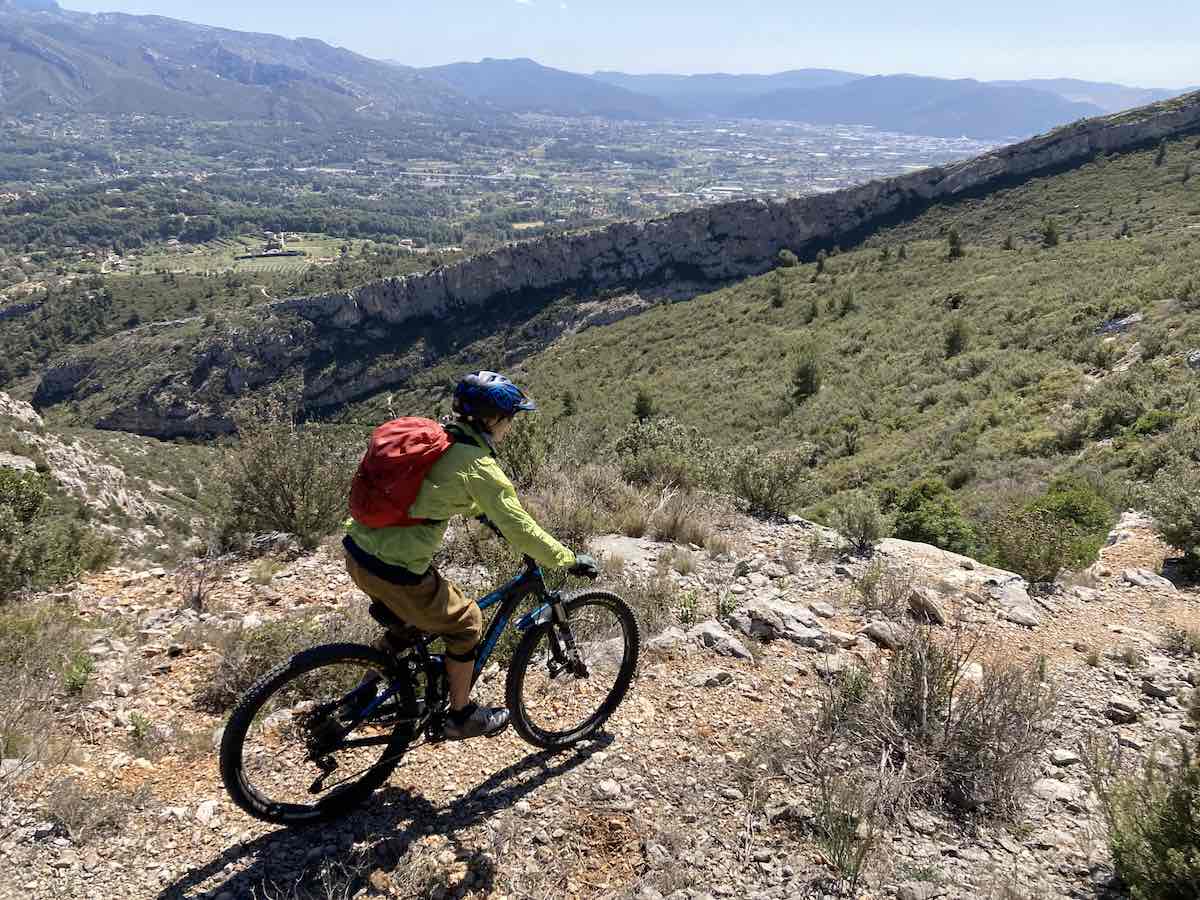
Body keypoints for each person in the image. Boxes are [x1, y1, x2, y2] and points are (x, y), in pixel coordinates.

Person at [343, 371, 599, 740]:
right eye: (510, 418)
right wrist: (568, 559)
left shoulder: (439, 441)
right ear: (493, 420)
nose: (511, 426)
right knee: (466, 623)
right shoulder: (481, 467)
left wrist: (483, 514)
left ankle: (361, 694)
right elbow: (522, 529)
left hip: (357, 552)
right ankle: (461, 716)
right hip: (395, 568)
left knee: (408, 626)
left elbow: (435, 492)